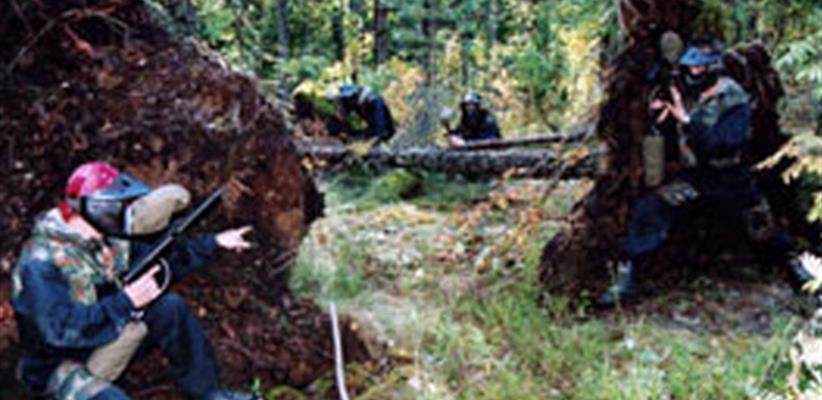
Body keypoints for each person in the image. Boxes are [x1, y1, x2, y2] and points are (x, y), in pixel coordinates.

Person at [596, 38, 822, 308]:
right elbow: (665, 127)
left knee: (763, 226)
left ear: (714, 68)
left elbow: (724, 142)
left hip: (732, 180)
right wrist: (659, 114)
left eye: (701, 69)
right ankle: (626, 280)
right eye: (691, 68)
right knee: (650, 208)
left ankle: (801, 275)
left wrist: (687, 121)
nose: (694, 73)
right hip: (697, 180)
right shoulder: (685, 93)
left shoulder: (733, 98)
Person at [11, 161, 260, 400]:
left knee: (170, 308)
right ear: (99, 208)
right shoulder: (41, 262)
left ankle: (208, 393)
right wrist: (126, 302)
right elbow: (60, 331)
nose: (127, 213)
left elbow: (164, 260)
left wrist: (214, 242)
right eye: (120, 206)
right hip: (57, 366)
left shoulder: (106, 239)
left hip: (104, 337)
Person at [331, 84, 396, 143]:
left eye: (352, 97)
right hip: (371, 122)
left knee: (380, 130)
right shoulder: (350, 101)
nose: (350, 99)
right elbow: (343, 114)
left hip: (381, 125)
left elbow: (380, 123)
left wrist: (377, 137)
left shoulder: (374, 101)